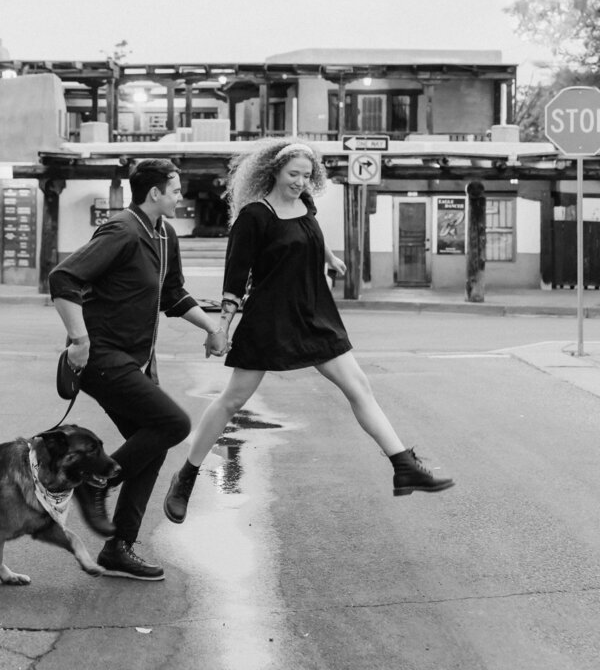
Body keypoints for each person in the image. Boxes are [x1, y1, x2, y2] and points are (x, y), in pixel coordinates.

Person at [163, 140, 453, 524]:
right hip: (269, 318)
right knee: (232, 401)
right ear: (273, 173)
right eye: (292, 174)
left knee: (359, 386)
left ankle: (403, 465)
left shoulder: (306, 206)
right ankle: (186, 475)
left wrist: (329, 257)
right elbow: (234, 280)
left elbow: (308, 234)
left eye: (306, 174)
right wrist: (221, 328)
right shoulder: (254, 216)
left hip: (314, 313)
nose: (300, 182)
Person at [49, 158, 227, 580]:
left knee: (152, 445)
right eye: (176, 189)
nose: (181, 196)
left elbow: (173, 295)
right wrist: (79, 339)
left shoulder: (164, 235)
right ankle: (94, 482)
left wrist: (213, 328)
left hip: (137, 362)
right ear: (155, 193)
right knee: (174, 423)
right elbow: (63, 279)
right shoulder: (122, 230)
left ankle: (118, 548)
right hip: (104, 358)